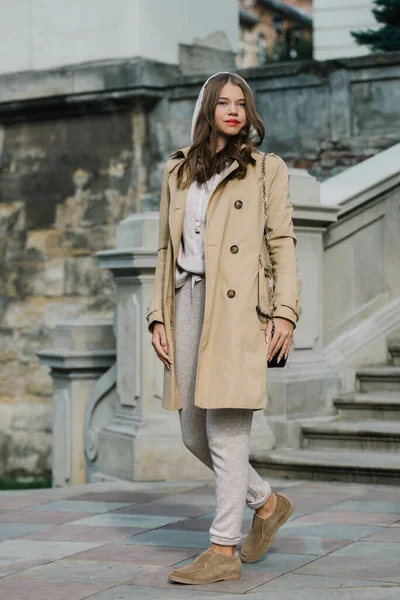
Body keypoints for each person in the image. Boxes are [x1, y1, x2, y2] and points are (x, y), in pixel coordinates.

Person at [146, 71, 302, 585]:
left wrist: (285, 311)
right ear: (207, 108)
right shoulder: (177, 171)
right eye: (224, 102)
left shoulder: (265, 169)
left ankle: (223, 549)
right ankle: (268, 503)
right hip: (186, 299)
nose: (234, 111)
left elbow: (282, 242)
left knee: (227, 429)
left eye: (242, 103)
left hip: (238, 309)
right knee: (193, 431)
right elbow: (165, 251)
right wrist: (156, 315)